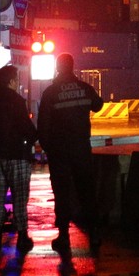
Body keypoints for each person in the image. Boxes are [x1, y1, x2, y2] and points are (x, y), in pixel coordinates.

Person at [38, 53, 102, 255]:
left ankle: (64, 236)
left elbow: (43, 125)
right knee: (87, 192)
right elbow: (98, 105)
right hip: (81, 150)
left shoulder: (51, 92)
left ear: (57, 67)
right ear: (72, 67)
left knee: (62, 194)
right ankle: (94, 234)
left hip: (59, 152)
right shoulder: (85, 88)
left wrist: (48, 148)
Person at [0, 63, 39, 251]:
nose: (17, 83)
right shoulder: (17, 101)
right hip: (17, 155)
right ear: (11, 81)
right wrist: (32, 139)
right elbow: (26, 128)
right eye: (16, 80)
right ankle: (22, 237)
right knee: (20, 197)